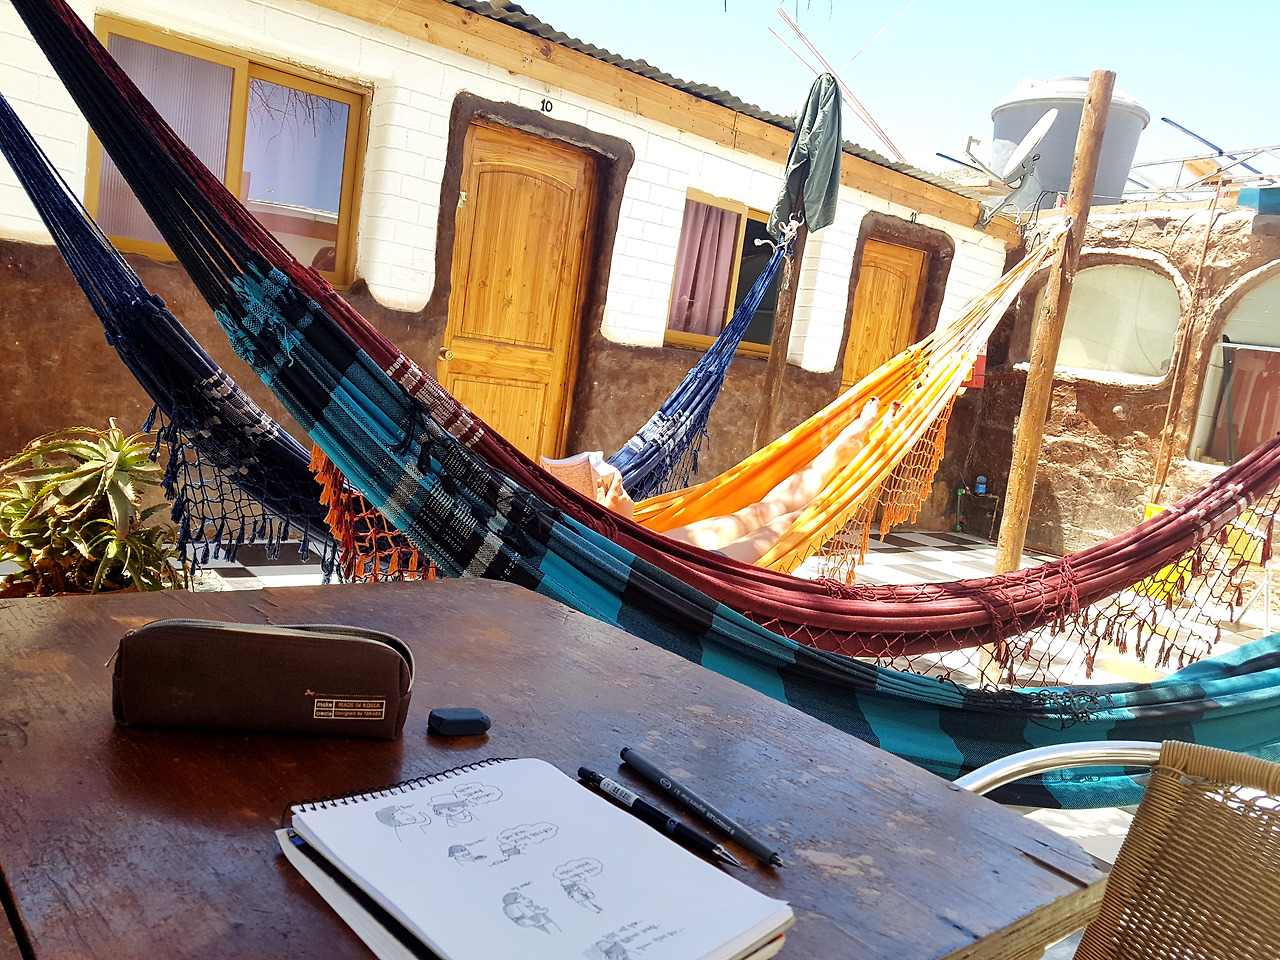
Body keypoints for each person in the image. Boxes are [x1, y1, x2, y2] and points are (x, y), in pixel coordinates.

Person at [660, 397, 883, 564]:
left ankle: (833, 458)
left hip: (649, 548)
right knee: (787, 523)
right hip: (683, 573)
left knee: (757, 513)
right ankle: (821, 499)